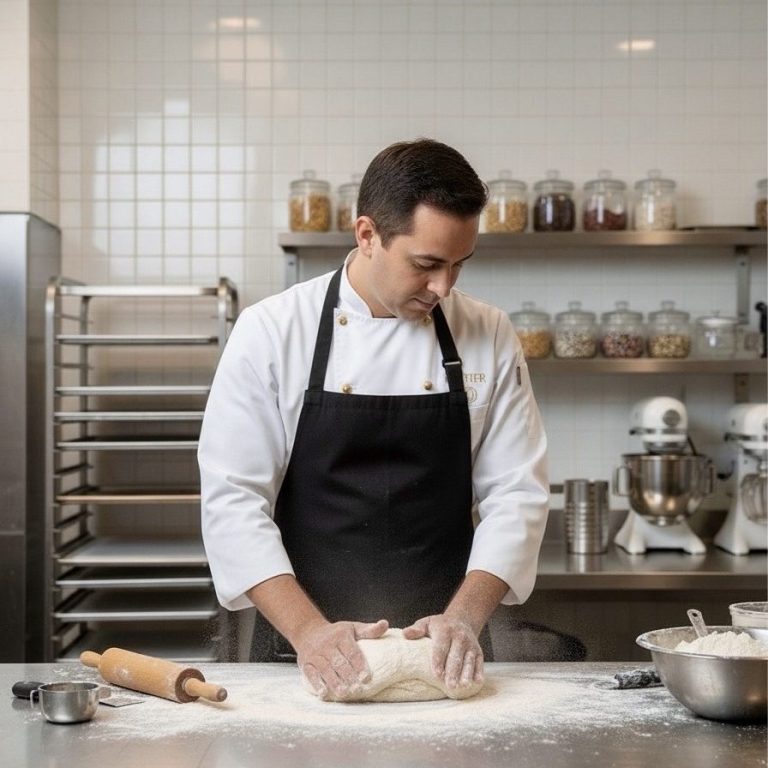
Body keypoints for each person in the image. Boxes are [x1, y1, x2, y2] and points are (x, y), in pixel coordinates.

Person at [199, 138, 549, 700]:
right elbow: (233, 501)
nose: (443, 287)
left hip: (446, 651)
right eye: (426, 264)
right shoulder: (271, 331)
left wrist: (463, 618)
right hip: (302, 649)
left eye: (459, 265)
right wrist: (310, 633)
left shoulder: (488, 332)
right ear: (367, 235)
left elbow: (517, 495)